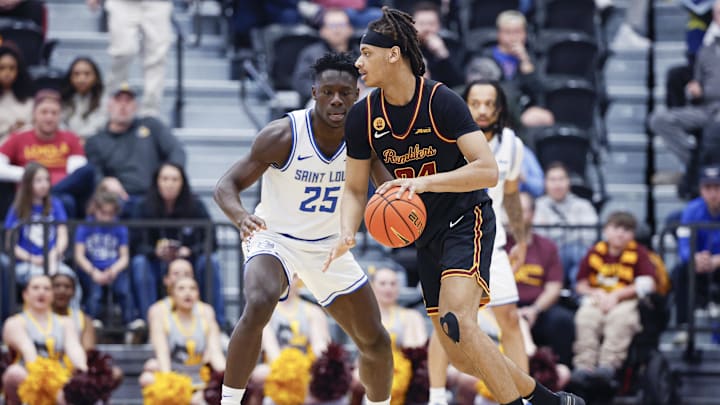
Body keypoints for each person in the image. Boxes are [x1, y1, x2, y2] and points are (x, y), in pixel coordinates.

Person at [327, 7, 583, 405]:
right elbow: (356, 188)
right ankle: (550, 401)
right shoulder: (363, 116)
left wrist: (424, 182)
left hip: (467, 219)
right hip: (425, 235)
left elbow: (487, 170)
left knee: (459, 321)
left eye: (366, 53)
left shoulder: (440, 100)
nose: (358, 62)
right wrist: (347, 231)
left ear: (393, 54)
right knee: (462, 356)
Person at [214, 52, 393, 405]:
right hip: (275, 237)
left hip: (330, 245)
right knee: (260, 301)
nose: (337, 99)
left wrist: (409, 206)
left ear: (357, 94)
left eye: (345, 91)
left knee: (376, 341)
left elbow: (389, 192)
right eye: (328, 91)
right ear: (314, 92)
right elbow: (226, 186)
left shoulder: (365, 139)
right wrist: (241, 217)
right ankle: (229, 401)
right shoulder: (283, 134)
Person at [428, 80, 529, 405]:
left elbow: (511, 196)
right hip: (455, 238)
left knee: (510, 319)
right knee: (448, 320)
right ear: (465, 105)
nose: (483, 110)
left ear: (499, 109)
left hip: (492, 241)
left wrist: (522, 239)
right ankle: (437, 395)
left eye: (490, 104)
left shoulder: (512, 145)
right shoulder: (448, 139)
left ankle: (523, 397)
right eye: (476, 103)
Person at [131, 162, 226, 327]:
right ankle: (149, 326)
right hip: (157, 263)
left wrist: (189, 251)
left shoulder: (195, 206)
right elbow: (135, 243)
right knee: (139, 263)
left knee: (211, 261)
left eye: (175, 179)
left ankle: (217, 324)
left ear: (182, 183)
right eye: (165, 179)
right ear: (157, 182)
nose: (170, 184)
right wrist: (155, 251)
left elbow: (211, 240)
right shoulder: (143, 207)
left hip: (190, 262)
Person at [571, 212, 656, 386]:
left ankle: (608, 366)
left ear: (632, 234)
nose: (620, 233)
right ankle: (584, 366)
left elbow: (648, 283)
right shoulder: (595, 251)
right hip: (597, 298)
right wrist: (596, 293)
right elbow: (580, 284)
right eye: (616, 228)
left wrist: (617, 295)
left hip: (626, 300)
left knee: (621, 319)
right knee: (585, 318)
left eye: (626, 230)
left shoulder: (639, 253)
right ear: (606, 230)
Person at [84, 84, 186, 215]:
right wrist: (104, 181)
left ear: (136, 107)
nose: (123, 105)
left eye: (128, 101)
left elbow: (176, 151)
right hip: (119, 198)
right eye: (118, 100)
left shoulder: (151, 126)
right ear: (109, 106)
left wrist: (169, 176)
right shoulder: (96, 141)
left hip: (154, 197)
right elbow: (93, 171)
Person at [648, 0, 720, 186]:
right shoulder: (707, 48)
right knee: (660, 120)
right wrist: (694, 90)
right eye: (718, 13)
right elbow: (698, 80)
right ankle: (695, 163)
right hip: (706, 110)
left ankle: (698, 170)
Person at [0, 89, 96, 218]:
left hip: (63, 191)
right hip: (30, 193)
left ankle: (52, 192)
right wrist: (30, 176)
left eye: (54, 113)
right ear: (34, 114)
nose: (49, 117)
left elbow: (77, 170)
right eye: (44, 112)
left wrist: (51, 186)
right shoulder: (19, 137)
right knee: (66, 201)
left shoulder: (70, 138)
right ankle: (49, 191)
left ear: (60, 115)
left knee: (87, 172)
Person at [509, 192, 575, 367]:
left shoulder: (547, 246)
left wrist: (534, 310)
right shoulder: (496, 245)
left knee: (562, 320)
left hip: (537, 308)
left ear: (532, 214)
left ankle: (560, 375)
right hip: (503, 308)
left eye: (521, 211)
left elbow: (554, 287)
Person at [1, 274, 88, 405]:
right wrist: (48, 385)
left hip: (61, 373)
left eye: (46, 288)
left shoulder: (66, 322)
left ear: (52, 295)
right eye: (35, 288)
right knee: (14, 374)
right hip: (28, 374)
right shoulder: (14, 322)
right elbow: (28, 352)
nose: (41, 292)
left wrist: (83, 371)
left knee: (74, 390)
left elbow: (74, 348)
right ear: (25, 294)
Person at [139, 276, 226, 404]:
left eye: (193, 288)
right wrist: (173, 388)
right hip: (176, 376)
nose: (188, 293)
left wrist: (225, 379)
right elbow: (163, 356)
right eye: (181, 289)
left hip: (201, 378)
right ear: (172, 295)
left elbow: (216, 354)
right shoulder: (162, 319)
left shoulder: (206, 319)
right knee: (148, 377)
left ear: (198, 294)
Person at [245, 277, 331, 405]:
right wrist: (288, 372)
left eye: (294, 276)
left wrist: (324, 364)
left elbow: (319, 346)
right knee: (259, 374)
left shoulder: (313, 311)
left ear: (300, 279)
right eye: (283, 276)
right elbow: (271, 348)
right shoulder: (265, 312)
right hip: (276, 368)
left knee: (324, 374)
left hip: (307, 367)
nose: (289, 280)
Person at [87, 0, 172, 116]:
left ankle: (150, 113)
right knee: (124, 52)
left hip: (157, 3)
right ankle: (111, 106)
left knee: (157, 59)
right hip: (122, 4)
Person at [3, 163, 75, 289]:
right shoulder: (17, 208)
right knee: (41, 281)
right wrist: (33, 259)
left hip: (53, 260)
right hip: (26, 264)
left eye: (47, 180)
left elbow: (62, 236)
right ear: (27, 183)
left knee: (69, 280)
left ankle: (71, 310)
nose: (44, 184)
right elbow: (10, 244)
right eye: (38, 180)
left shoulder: (56, 204)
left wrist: (53, 255)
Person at [74, 189, 138, 330]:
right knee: (94, 293)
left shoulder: (119, 228)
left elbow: (124, 257)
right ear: (94, 210)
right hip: (91, 268)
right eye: (103, 213)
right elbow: (79, 255)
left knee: (124, 290)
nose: (107, 218)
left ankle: (131, 320)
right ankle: (92, 320)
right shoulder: (85, 226)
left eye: (111, 214)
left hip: (113, 268)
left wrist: (114, 270)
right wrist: (93, 271)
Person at [533, 162, 600, 290]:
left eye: (561, 179)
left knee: (579, 251)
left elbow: (589, 236)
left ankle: (579, 292)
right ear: (545, 183)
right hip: (546, 256)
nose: (557, 184)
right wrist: (570, 233)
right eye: (552, 180)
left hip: (573, 254)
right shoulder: (536, 206)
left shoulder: (583, 205)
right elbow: (537, 239)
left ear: (568, 182)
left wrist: (555, 233)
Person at [672, 164, 720, 339]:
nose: (713, 193)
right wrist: (694, 258)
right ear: (701, 190)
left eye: (717, 187)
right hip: (699, 266)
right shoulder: (692, 210)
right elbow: (683, 243)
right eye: (708, 188)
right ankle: (684, 327)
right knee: (680, 272)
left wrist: (717, 260)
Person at [293, 8, 355, 104]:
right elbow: (301, 82)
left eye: (342, 25)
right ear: (322, 31)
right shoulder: (311, 54)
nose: (337, 30)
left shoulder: (360, 53)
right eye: (332, 26)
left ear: (350, 29)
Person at [412, 2, 464, 88]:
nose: (426, 28)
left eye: (431, 24)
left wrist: (442, 54)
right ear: (412, 25)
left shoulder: (451, 45)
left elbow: (459, 84)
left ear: (439, 25)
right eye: (421, 24)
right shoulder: (404, 47)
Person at [61, 57, 107, 140]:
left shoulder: (104, 99)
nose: (81, 79)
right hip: (68, 144)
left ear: (96, 77)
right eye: (76, 74)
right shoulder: (63, 99)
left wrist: (81, 138)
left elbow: (99, 125)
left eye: (87, 74)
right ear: (70, 77)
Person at [0, 43, 33, 142]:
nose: (7, 73)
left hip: (25, 148)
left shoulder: (30, 99)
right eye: (2, 68)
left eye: (12, 68)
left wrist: (24, 128)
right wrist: (8, 129)